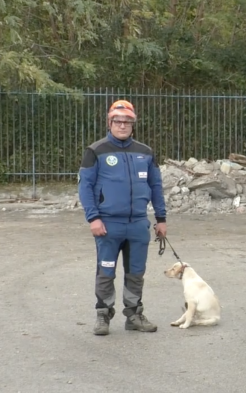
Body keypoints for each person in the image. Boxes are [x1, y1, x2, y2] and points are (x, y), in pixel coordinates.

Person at [78, 99, 167, 336]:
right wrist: (93, 218)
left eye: (128, 121)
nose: (123, 125)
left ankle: (134, 314)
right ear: (110, 122)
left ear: (133, 124)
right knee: (106, 271)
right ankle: (103, 315)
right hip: (108, 224)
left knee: (136, 271)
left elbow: (155, 186)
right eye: (118, 120)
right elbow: (85, 187)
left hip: (138, 223)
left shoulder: (145, 152)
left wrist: (161, 218)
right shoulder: (96, 151)